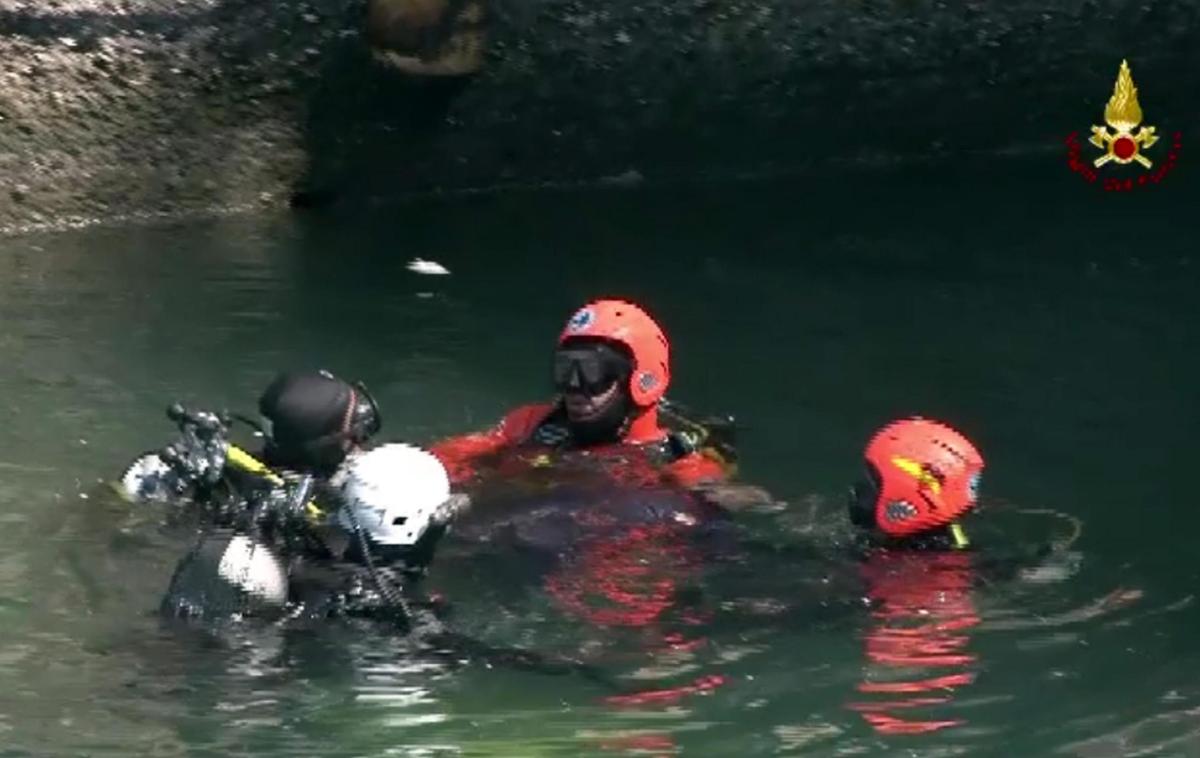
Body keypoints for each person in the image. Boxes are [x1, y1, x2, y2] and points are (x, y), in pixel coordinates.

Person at [430, 298, 734, 491]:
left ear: (641, 380)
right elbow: (452, 455)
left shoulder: (676, 458)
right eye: (565, 371)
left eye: (593, 373)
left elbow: (727, 501)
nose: (575, 388)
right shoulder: (531, 425)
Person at [842, 416, 986, 736]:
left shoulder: (913, 577)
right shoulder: (952, 547)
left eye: (871, 482)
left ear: (908, 498)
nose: (858, 491)